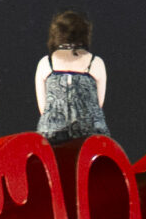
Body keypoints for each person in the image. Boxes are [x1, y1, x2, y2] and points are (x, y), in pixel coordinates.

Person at [33, 10, 109, 143]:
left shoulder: (46, 63)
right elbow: (98, 105)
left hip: (53, 137)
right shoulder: (96, 63)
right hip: (89, 138)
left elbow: (44, 109)